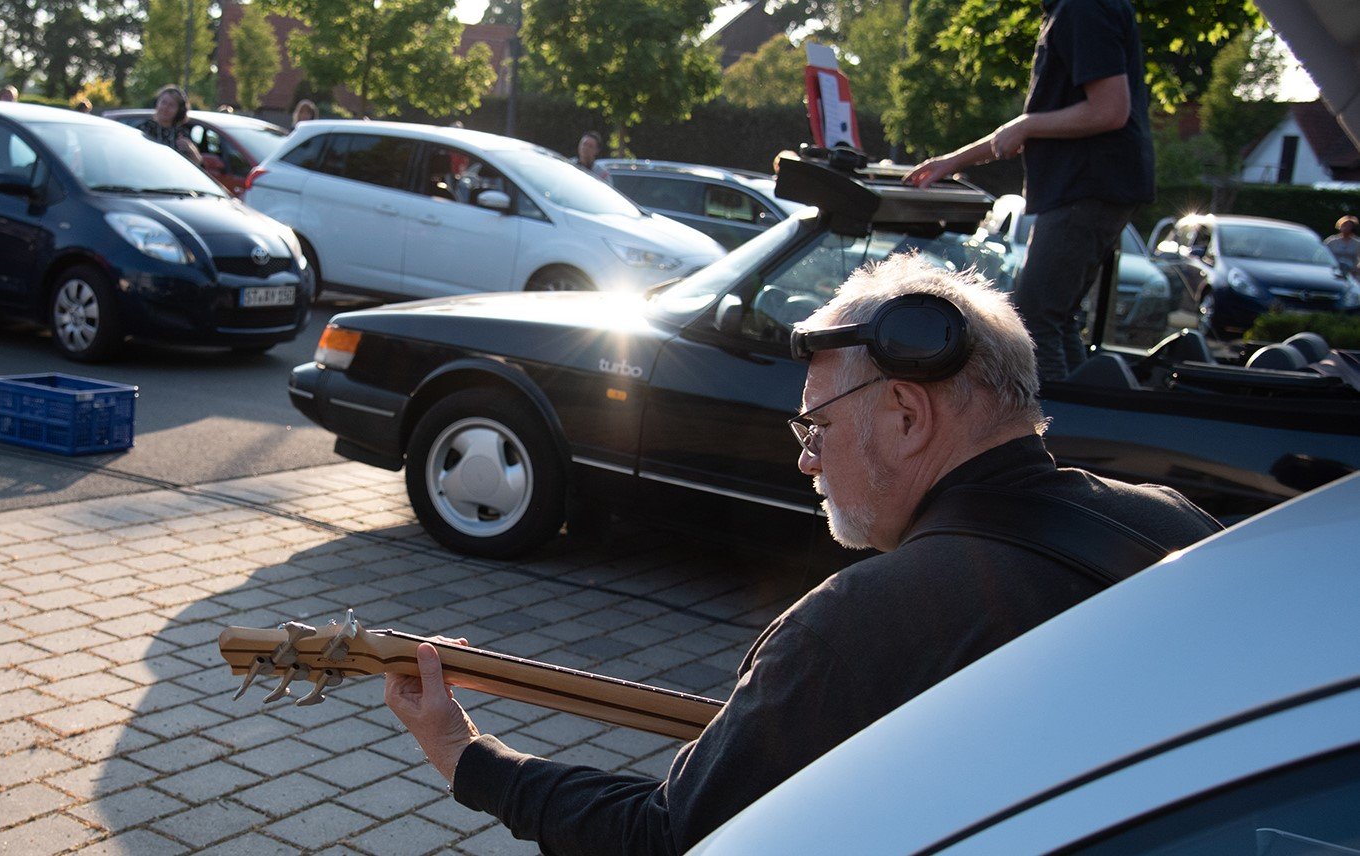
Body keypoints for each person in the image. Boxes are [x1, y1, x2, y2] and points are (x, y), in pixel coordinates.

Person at [385, 255, 1221, 855]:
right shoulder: (1179, 529)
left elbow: (665, 836)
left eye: (816, 426)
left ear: (905, 414)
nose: (805, 459)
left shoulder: (856, 627)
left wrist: (467, 756)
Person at [905, 0, 1154, 383]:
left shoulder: (1081, 8)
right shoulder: (1069, 10)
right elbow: (1023, 130)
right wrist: (952, 161)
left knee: (1033, 323)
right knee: (1058, 319)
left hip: (1085, 188)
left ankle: (1053, 436)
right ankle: (1082, 425)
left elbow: (1109, 110)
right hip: (1093, 188)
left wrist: (1027, 125)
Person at [138, 85, 199, 163]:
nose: (165, 108)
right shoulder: (143, 129)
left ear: (179, 110)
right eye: (163, 102)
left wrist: (191, 150)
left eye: (171, 105)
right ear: (157, 103)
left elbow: (197, 164)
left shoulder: (182, 134)